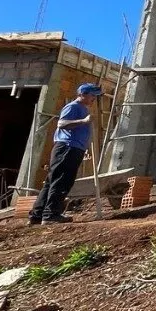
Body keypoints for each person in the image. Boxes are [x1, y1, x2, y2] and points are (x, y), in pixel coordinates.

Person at [28, 84, 103, 225]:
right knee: (61, 181)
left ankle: (38, 215)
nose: (94, 98)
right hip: (67, 148)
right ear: (83, 94)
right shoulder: (73, 107)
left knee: (53, 181)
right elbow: (61, 123)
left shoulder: (82, 108)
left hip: (72, 148)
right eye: (92, 95)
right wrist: (83, 121)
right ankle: (51, 214)